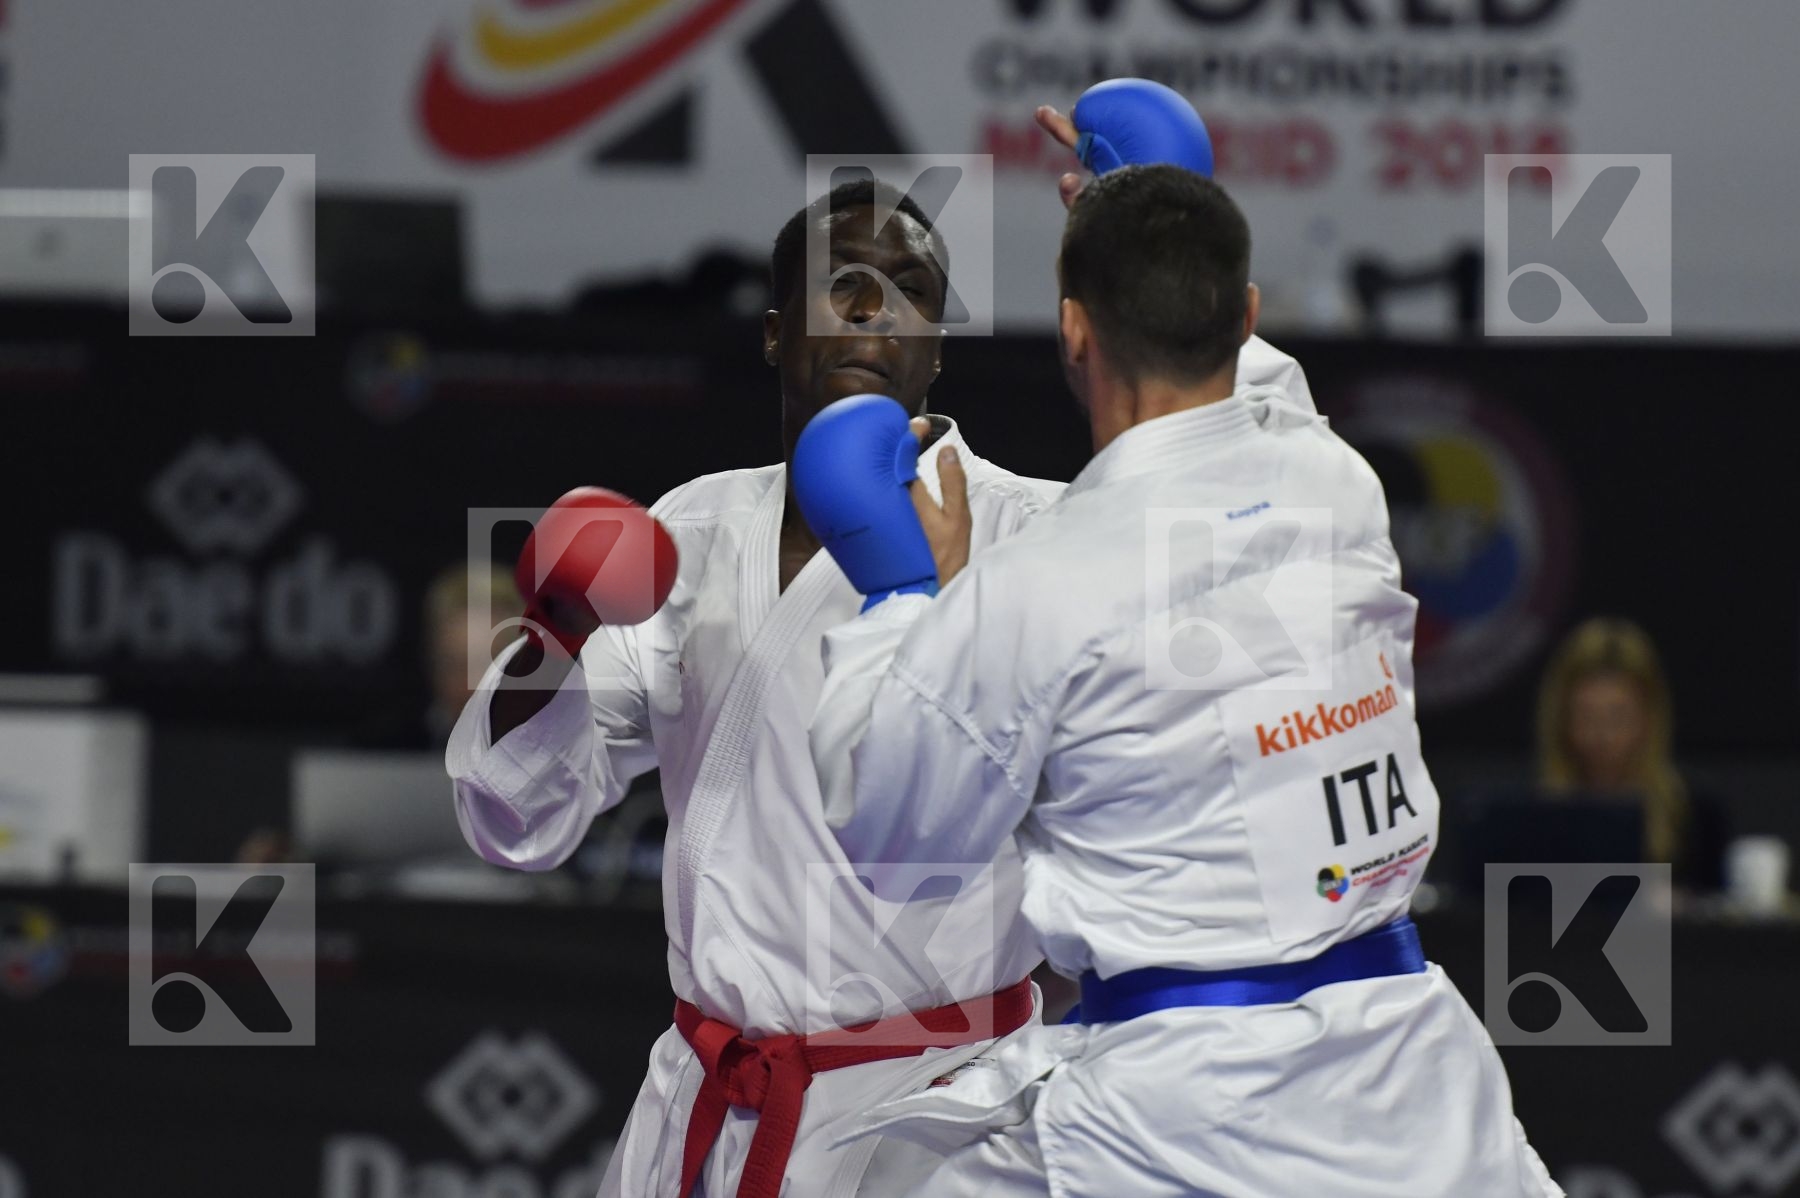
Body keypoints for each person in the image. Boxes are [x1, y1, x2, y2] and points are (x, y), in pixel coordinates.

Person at [446, 168, 1319, 1197]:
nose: (875, 309)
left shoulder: (1039, 534)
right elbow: (514, 815)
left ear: (937, 349)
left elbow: (1240, 587)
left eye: (911, 289)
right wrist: (553, 632)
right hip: (706, 1101)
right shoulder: (695, 527)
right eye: (844, 283)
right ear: (776, 333)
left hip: (940, 1115)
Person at [803, 166, 1560, 1196]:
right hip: (1412, 1070)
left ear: (1074, 330)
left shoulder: (1033, 586)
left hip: (1180, 1116)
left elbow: (898, 847)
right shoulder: (1339, 481)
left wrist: (901, 597)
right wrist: (1157, 203)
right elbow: (1267, 394)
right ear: (1245, 314)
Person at [1536, 616, 1726, 892]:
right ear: (1561, 719)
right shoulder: (1533, 820)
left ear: (1649, 717)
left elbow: (1721, 911)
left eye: (1618, 716)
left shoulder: (1695, 816)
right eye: (1587, 716)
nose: (1602, 735)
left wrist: (1677, 909)